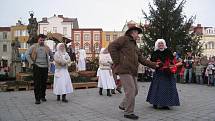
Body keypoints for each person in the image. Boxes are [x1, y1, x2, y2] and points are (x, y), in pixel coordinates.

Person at [108, 26, 158, 120]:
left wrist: (155, 65)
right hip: (124, 69)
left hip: (132, 71)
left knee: (135, 91)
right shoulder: (124, 39)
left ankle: (123, 105)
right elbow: (111, 46)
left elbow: (142, 59)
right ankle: (128, 112)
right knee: (130, 90)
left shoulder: (135, 45)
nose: (138, 35)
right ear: (132, 33)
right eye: (137, 33)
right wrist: (117, 61)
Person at [146, 39, 181, 110]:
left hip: (168, 73)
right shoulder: (155, 53)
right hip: (159, 72)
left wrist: (171, 64)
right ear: (157, 45)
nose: (161, 45)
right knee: (157, 87)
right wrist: (157, 64)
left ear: (164, 44)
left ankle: (166, 104)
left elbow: (172, 61)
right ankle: (155, 102)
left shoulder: (168, 51)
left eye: (162, 44)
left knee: (167, 88)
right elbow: (152, 62)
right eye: (159, 44)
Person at [25, 34, 54, 104]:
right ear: (38, 40)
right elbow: (27, 54)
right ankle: (37, 98)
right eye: (41, 40)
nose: (42, 41)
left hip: (45, 67)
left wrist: (51, 60)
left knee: (44, 83)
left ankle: (43, 96)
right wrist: (31, 62)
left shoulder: (47, 47)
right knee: (37, 83)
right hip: (37, 66)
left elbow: (51, 55)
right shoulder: (34, 46)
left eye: (43, 40)